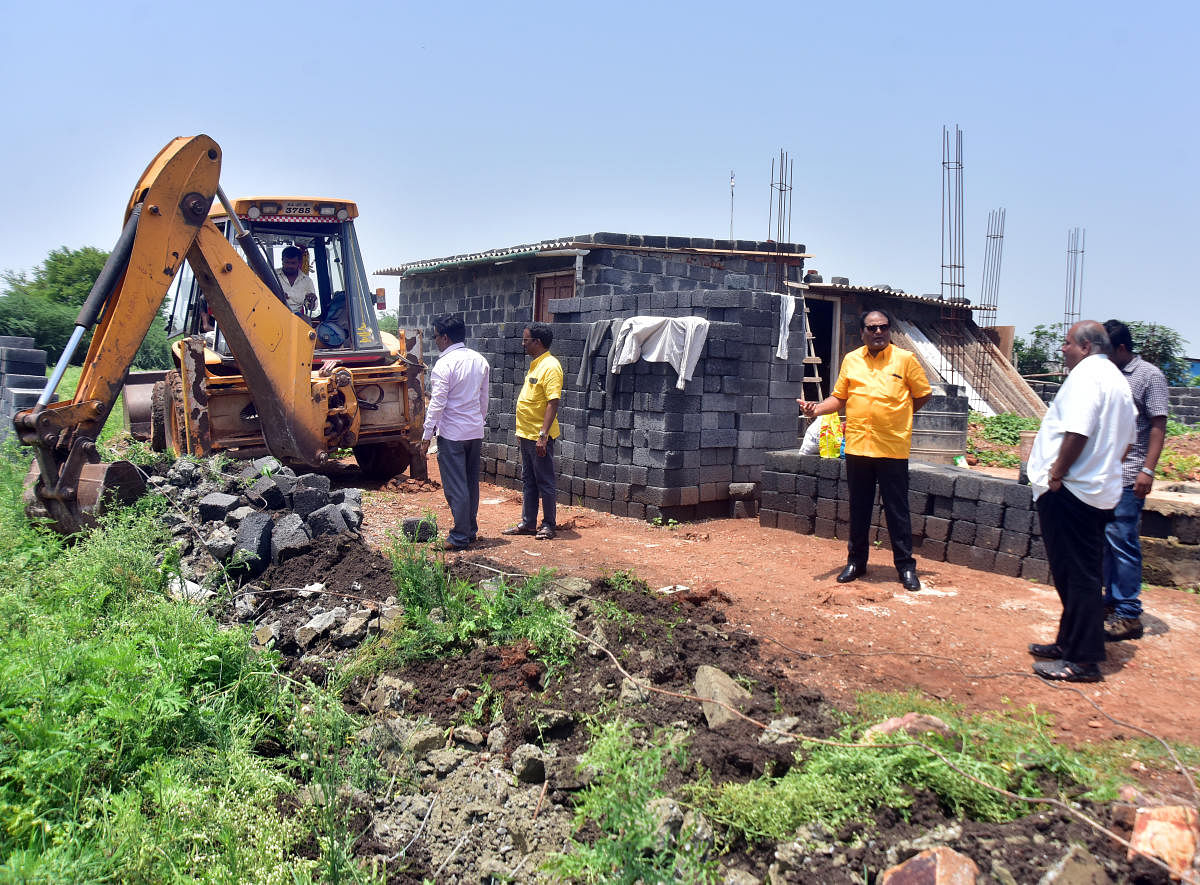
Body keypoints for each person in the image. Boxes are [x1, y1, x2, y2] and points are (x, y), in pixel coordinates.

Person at [1026, 321, 1136, 682]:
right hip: (1097, 491)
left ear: (1086, 347)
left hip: (1072, 492)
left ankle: (1084, 660)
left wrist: (1056, 474)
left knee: (1080, 577)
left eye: (1067, 343)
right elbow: (1128, 445)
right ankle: (1067, 642)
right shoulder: (1116, 379)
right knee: (1074, 574)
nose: (1063, 349)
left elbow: (1078, 430)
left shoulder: (1087, 377)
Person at [799, 308, 931, 590]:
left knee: (897, 510)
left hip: (892, 446)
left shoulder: (905, 360)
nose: (878, 332)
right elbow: (839, 398)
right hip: (858, 446)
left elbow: (921, 395)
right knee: (859, 509)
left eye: (883, 327)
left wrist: (898, 415)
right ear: (863, 333)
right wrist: (816, 409)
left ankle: (906, 567)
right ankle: (856, 563)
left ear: (890, 330)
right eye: (872, 328)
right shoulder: (851, 360)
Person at [1101, 319, 1169, 642]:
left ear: (1122, 348)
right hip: (1105, 475)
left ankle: (1128, 613)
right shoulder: (1108, 373)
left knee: (1123, 541)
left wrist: (1148, 470)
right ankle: (1110, 602)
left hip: (1130, 475)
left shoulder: (1149, 376)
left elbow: (1157, 426)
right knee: (1106, 541)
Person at [422, 314, 490, 552]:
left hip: (452, 434)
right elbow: (484, 399)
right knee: (471, 483)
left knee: (455, 486)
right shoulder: (480, 360)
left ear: (445, 337)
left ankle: (460, 536)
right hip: (474, 431)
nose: (435, 341)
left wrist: (426, 435)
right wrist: (478, 422)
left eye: (436, 336)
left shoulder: (444, 364)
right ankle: (469, 530)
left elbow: (437, 403)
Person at [502, 323, 563, 541]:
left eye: (526, 340)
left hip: (539, 436)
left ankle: (548, 525)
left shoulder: (550, 366)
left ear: (537, 342)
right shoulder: (536, 365)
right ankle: (528, 523)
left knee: (544, 481)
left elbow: (552, 402)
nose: (523, 344)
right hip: (526, 434)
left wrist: (543, 435)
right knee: (529, 480)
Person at [276, 245, 317, 316]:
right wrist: (276, 295)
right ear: (282, 260)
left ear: (299, 262)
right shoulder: (272, 275)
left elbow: (312, 307)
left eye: (293, 263)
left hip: (296, 317)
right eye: (287, 262)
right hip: (274, 313)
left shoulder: (307, 281)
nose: (289, 266)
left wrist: (311, 301)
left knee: (307, 322)